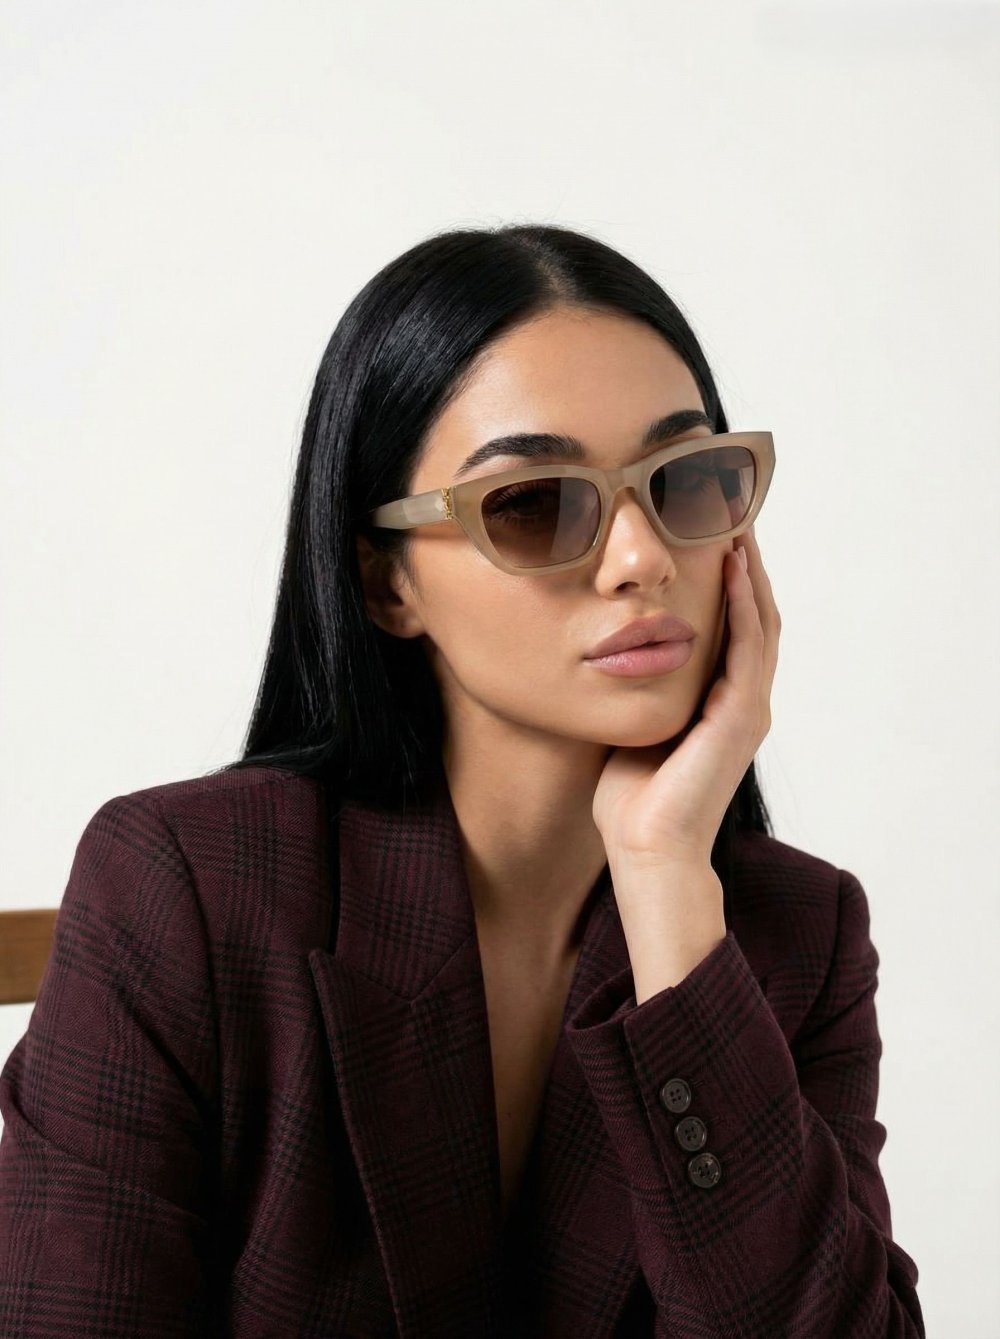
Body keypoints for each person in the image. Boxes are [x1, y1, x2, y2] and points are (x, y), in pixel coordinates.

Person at [0, 223, 925, 1337]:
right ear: (386, 581)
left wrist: (669, 882)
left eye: (684, 481)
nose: (642, 559)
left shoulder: (795, 935)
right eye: (533, 503)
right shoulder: (184, 889)